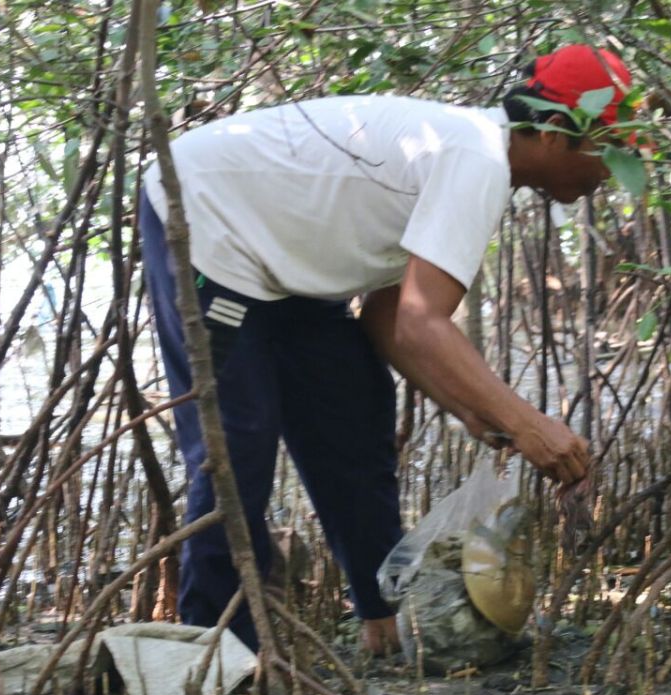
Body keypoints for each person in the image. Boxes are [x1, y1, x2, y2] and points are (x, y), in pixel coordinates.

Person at [139, 44, 632, 655]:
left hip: (284, 266)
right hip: (206, 221)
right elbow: (424, 323)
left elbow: (387, 315)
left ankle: (385, 622)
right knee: (236, 447)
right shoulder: (475, 159)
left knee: (352, 414)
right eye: (609, 151)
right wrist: (528, 424)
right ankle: (218, 648)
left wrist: (474, 409)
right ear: (558, 132)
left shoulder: (475, 158)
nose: (612, 173)